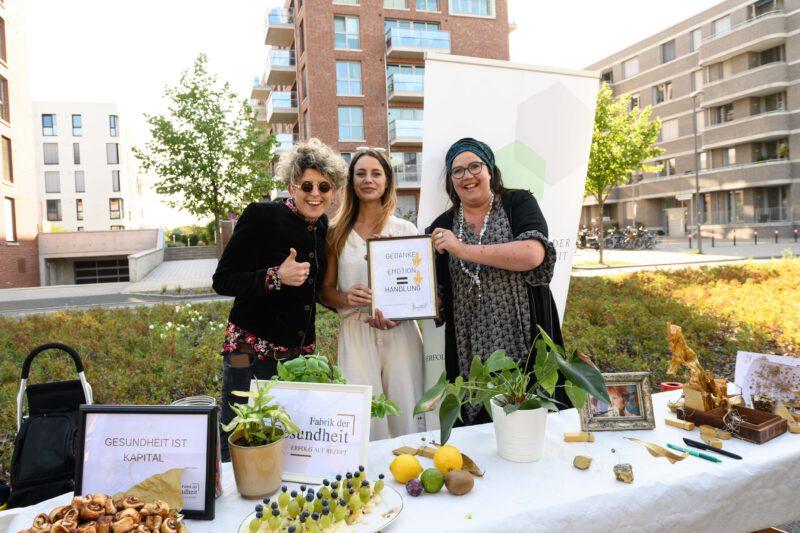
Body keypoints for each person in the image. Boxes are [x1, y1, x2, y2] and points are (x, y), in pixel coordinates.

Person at [212, 139, 347, 460]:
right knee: (240, 439)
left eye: (324, 186)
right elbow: (223, 280)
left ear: (334, 191)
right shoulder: (261, 215)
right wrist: (275, 276)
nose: (316, 193)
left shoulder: (323, 225)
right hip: (252, 355)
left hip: (296, 358)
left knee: (289, 443)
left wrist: (355, 299)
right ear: (291, 186)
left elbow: (317, 291)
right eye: (307, 185)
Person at [427, 137, 564, 426]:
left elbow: (533, 254)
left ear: (490, 170)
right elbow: (435, 293)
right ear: (451, 181)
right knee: (477, 430)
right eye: (458, 171)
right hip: (469, 348)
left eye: (474, 166)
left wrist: (462, 249)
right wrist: (391, 270)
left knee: (530, 421)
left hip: (524, 335)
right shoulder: (441, 226)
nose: (467, 176)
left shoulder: (518, 203)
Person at [320, 148, 425, 440]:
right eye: (361, 173)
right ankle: (369, 481)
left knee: (406, 413)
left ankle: (411, 477)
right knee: (363, 418)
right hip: (356, 331)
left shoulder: (405, 229)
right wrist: (345, 298)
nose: (368, 179)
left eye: (376, 173)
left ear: (388, 180)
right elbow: (325, 291)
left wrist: (393, 259)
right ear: (351, 181)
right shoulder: (336, 231)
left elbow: (420, 290)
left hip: (400, 332)